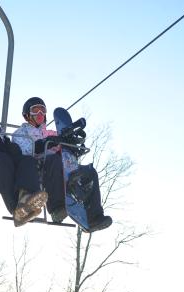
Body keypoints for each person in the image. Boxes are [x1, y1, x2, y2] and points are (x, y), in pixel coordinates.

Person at [12, 97, 112, 231]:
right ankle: (57, 208)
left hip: (63, 166)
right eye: (35, 110)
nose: (40, 114)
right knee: (54, 160)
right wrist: (46, 143)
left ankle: (94, 217)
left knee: (90, 172)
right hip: (39, 167)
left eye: (43, 110)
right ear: (27, 115)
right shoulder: (20, 133)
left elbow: (64, 147)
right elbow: (24, 151)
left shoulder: (51, 132)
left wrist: (72, 144)